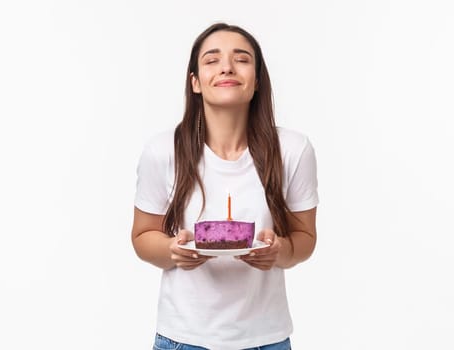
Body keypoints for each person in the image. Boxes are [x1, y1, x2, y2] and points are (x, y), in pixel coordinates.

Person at [131, 23, 318, 350]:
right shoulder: (163, 150)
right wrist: (173, 251)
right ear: (195, 82)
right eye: (212, 60)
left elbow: (304, 240)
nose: (227, 67)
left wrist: (278, 252)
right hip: (183, 339)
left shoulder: (293, 150)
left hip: (267, 339)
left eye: (242, 59)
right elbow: (142, 236)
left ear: (257, 80)